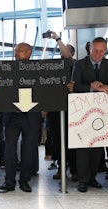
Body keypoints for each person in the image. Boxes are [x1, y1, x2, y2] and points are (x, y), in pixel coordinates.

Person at [72, 37, 108, 193]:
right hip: (82, 113)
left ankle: (92, 177)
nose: (98, 54)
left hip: (102, 113)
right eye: (95, 50)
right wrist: (90, 87)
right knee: (83, 148)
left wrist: (107, 87)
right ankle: (82, 180)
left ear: (105, 51)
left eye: (101, 51)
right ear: (90, 49)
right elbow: (73, 87)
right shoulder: (80, 64)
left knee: (98, 147)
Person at [0, 42, 42, 193]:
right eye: (16, 51)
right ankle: (9, 181)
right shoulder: (7, 68)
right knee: (9, 148)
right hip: (12, 115)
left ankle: (24, 180)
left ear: (29, 53)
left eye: (20, 51)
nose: (17, 54)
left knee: (28, 149)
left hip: (31, 115)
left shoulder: (38, 69)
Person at [45, 30, 78, 181]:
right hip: (55, 109)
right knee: (57, 141)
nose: (62, 52)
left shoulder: (73, 65)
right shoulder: (54, 67)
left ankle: (74, 169)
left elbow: (67, 56)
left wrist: (57, 39)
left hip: (71, 109)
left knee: (72, 140)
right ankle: (61, 167)